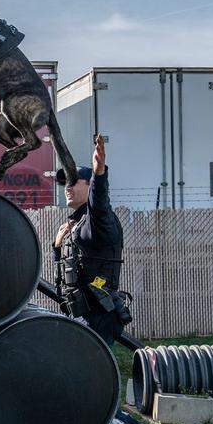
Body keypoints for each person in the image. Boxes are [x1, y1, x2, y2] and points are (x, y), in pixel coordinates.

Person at [52, 133, 132, 348]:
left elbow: (99, 205)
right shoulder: (74, 224)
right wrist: (57, 247)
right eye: (65, 183)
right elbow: (66, 269)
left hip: (99, 316)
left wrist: (99, 174)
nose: (67, 187)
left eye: (73, 182)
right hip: (79, 313)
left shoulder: (97, 221)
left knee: (93, 373)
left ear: (89, 186)